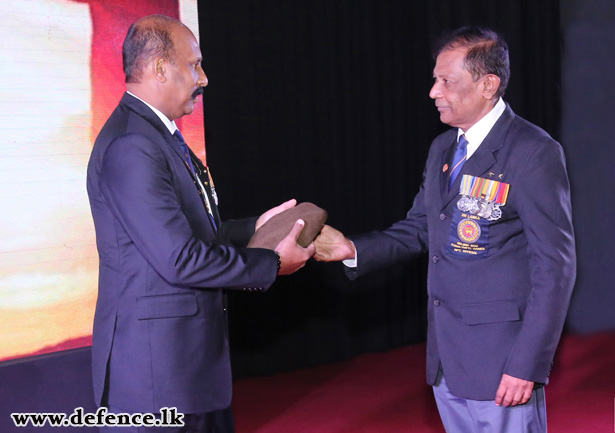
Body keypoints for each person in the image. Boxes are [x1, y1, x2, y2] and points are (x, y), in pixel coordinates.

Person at [314, 26, 576, 433]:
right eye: (436, 80)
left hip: (502, 362)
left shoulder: (534, 152)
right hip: (446, 357)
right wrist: (351, 249)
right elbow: (421, 228)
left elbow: (555, 267)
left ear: (488, 85)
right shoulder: (443, 148)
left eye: (447, 82)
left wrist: (527, 364)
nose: (434, 92)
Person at [86, 15, 315, 433]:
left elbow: (192, 234)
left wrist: (255, 227)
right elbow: (179, 259)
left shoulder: (157, 135)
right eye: (195, 65)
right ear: (159, 69)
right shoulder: (133, 145)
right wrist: (271, 263)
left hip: (183, 370)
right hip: (157, 380)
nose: (204, 78)